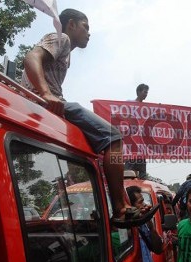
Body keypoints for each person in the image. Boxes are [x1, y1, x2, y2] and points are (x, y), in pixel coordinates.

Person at [21, 9, 157, 228]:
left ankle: (124, 203)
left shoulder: (66, 52)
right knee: (113, 137)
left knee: (102, 148)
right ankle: (120, 208)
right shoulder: (61, 38)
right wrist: (45, 93)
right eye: (86, 26)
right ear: (71, 24)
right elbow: (31, 57)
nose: (89, 33)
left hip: (50, 103)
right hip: (50, 102)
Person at [126, 186, 163, 262]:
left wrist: (150, 224)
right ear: (130, 207)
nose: (145, 204)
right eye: (140, 202)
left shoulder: (143, 225)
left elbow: (158, 249)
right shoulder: (122, 230)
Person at [124, 83, 149, 179]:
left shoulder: (147, 107)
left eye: (147, 92)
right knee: (128, 172)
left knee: (142, 174)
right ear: (138, 92)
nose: (146, 94)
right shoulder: (129, 103)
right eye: (144, 92)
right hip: (131, 144)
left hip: (142, 146)